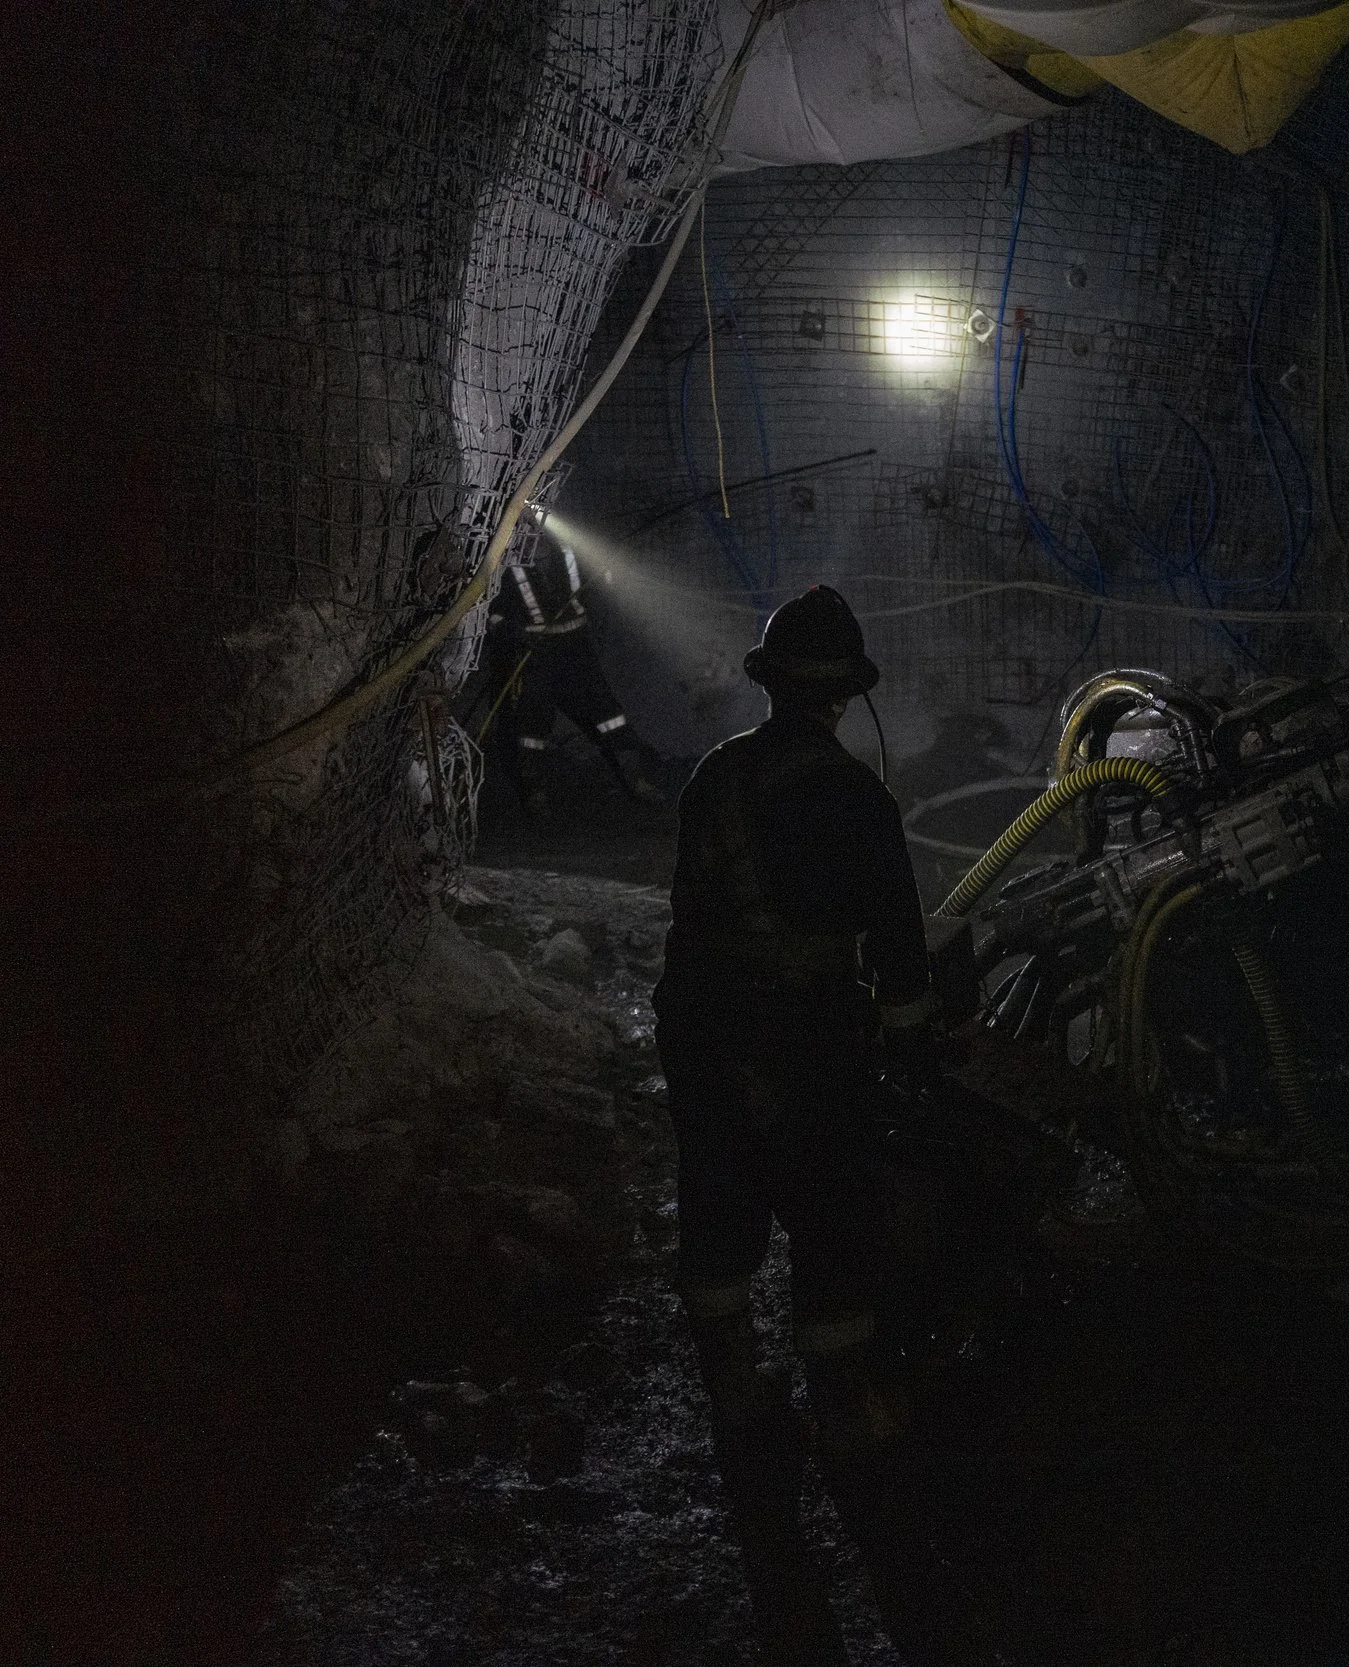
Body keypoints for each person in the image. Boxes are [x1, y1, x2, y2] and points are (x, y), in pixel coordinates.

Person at [653, 584, 939, 1660]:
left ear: (771, 684)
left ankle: (734, 1379)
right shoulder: (860, 803)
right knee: (831, 1219)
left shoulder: (711, 780)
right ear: (844, 696)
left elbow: (689, 922)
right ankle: (841, 1397)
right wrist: (910, 1046)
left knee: (720, 1199)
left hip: (707, 1030)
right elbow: (901, 964)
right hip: (812, 1042)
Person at [480, 512, 668, 814]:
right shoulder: (502, 566)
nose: (534, 534)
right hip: (536, 654)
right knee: (532, 725)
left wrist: (608, 573)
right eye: (524, 528)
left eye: (536, 526)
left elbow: (602, 589)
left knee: (610, 715)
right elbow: (489, 613)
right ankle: (534, 792)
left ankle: (637, 780)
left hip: (576, 649)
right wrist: (512, 632)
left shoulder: (569, 552)